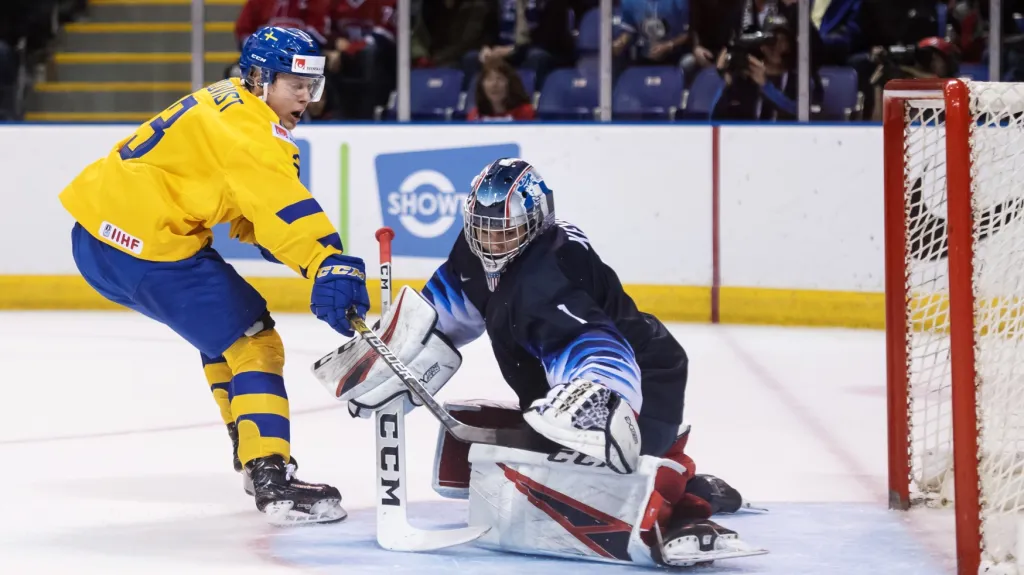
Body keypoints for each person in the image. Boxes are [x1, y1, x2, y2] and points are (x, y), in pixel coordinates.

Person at [330, 157, 762, 566]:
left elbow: (597, 348)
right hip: (553, 381)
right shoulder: (474, 249)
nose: (492, 243)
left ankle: (691, 495)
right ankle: (670, 470)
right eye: (483, 231)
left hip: (647, 373)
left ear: (535, 225)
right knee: (555, 449)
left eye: (506, 232)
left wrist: (598, 398)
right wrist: (394, 353)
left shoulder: (546, 275)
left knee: (623, 477)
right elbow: (444, 311)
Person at [57, 26, 370, 526]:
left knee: (224, 335)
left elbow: (247, 206)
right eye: (296, 85)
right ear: (261, 79)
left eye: (313, 85)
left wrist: (285, 247)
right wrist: (325, 260)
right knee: (254, 341)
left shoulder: (223, 97)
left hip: (95, 238)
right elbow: (284, 208)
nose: (307, 98)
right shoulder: (254, 136)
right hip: (148, 249)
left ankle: (251, 453)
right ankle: (272, 478)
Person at [466, 59, 535, 121]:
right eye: (489, 79)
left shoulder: (524, 112)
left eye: (500, 79)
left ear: (510, 84)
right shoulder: (474, 115)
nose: (494, 84)